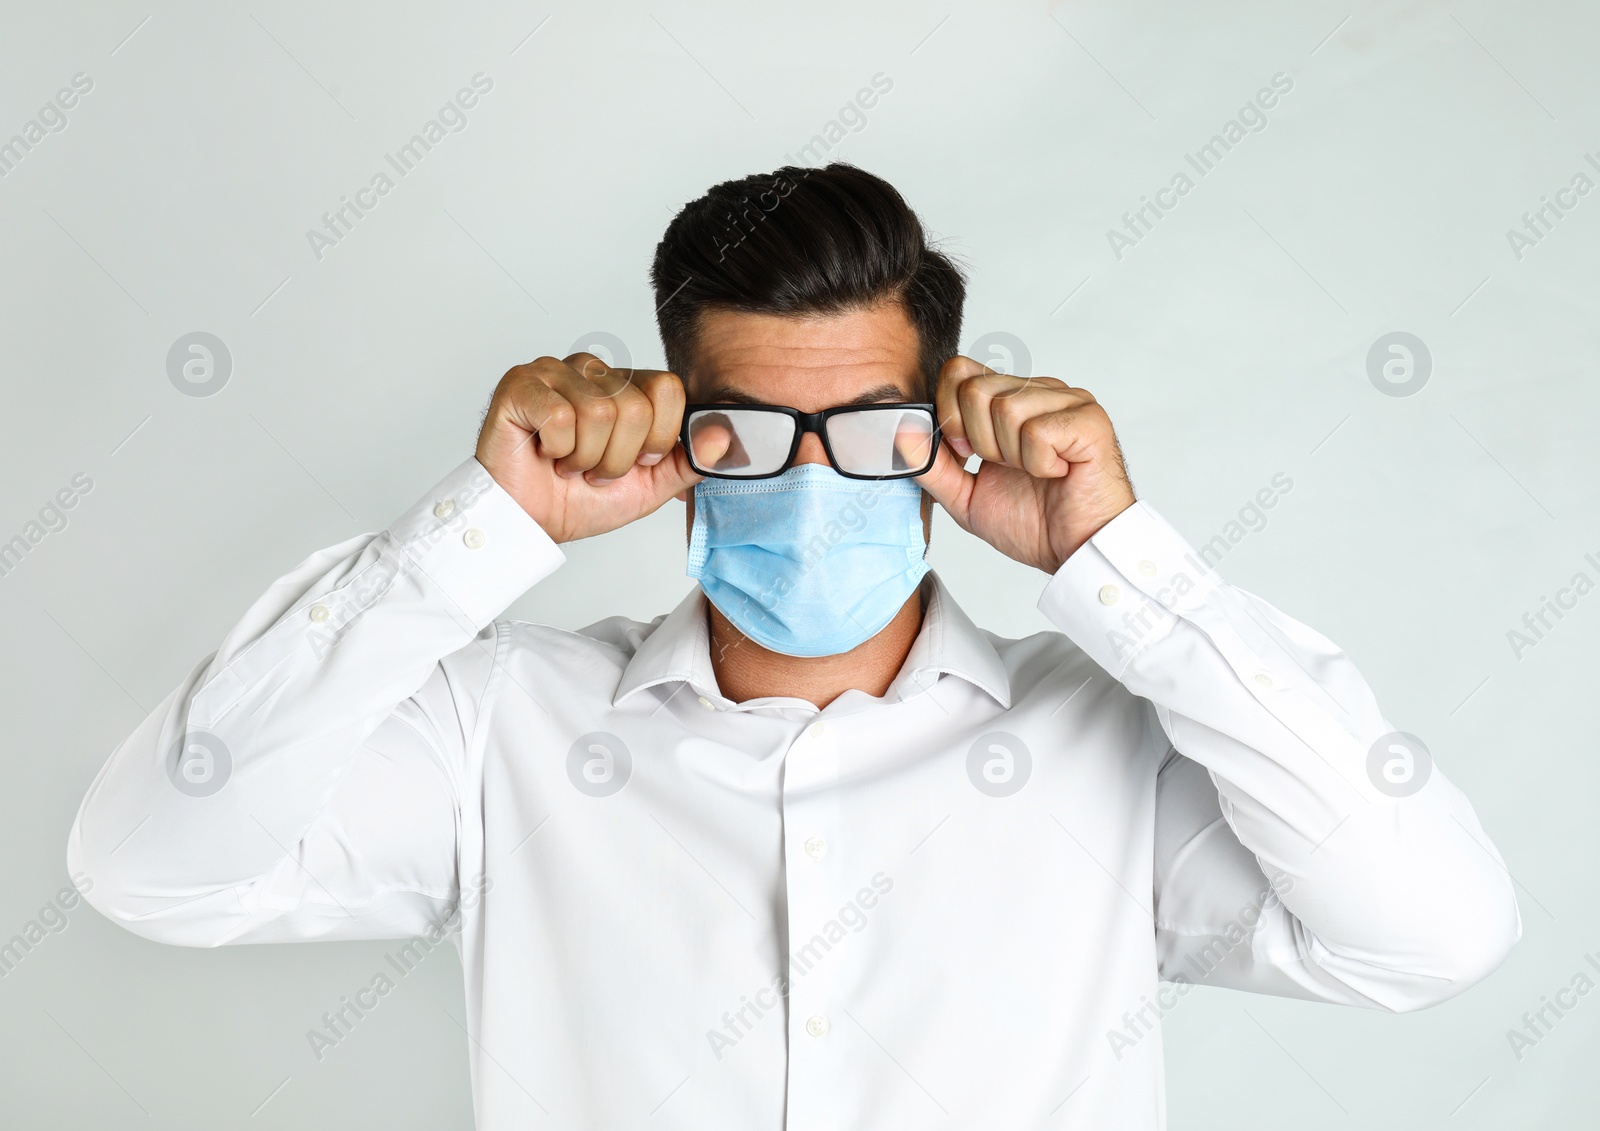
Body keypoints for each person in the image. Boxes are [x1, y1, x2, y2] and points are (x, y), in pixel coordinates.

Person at [68, 163, 1519, 1129]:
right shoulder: (498, 727)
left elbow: (1432, 932)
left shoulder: (1110, 745)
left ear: (938, 436)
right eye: (753, 430)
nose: (812, 479)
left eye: (869, 430)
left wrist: (1117, 562)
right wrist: (480, 529)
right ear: (682, 438)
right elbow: (150, 866)